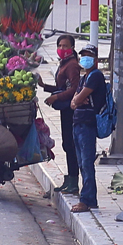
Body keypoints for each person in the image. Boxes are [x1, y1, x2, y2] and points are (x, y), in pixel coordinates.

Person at [39, 35, 81, 195]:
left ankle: (73, 182)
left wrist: (56, 97)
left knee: (70, 145)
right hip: (65, 110)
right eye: (60, 46)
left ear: (72, 47)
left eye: (66, 46)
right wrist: (45, 86)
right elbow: (61, 86)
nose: (62, 49)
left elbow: (74, 89)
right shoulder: (65, 63)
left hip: (71, 110)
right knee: (67, 144)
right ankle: (69, 179)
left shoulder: (72, 65)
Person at [69, 45, 107, 212]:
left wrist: (78, 99)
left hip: (87, 124)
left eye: (89, 56)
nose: (85, 59)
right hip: (78, 122)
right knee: (81, 162)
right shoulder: (85, 77)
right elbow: (73, 103)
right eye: (83, 56)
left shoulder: (95, 76)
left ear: (96, 59)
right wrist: (77, 100)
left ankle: (87, 199)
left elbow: (77, 99)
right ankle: (87, 198)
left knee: (86, 162)